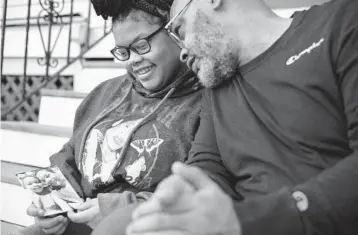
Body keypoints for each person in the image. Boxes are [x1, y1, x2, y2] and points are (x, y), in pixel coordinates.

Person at [121, 0, 358, 234]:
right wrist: (183, 200)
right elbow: (208, 166)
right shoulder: (217, 87)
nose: (182, 52)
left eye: (180, 29)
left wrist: (249, 220)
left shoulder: (340, 24)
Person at [19, 0, 203, 234]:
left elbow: (196, 193)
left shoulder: (204, 103)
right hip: (78, 222)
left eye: (141, 45)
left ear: (174, 32)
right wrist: (52, 203)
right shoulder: (104, 93)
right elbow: (70, 156)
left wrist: (116, 209)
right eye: (123, 51)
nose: (132, 60)